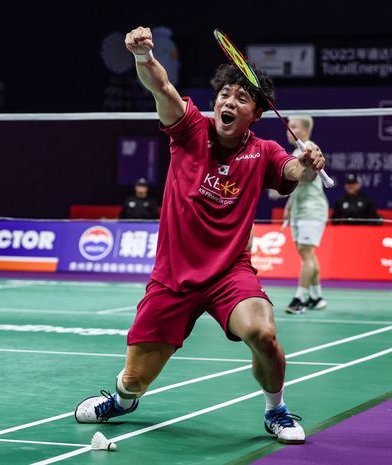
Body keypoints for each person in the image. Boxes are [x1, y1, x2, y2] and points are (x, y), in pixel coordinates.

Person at [74, 26, 326, 445]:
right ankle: (122, 400)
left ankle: (275, 410)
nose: (229, 101)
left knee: (263, 333)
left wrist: (309, 164)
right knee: (134, 380)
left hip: (229, 274)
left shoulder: (262, 151)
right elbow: (162, 87)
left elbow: (291, 172)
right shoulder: (190, 129)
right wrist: (142, 57)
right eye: (225, 94)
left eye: (242, 98)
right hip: (174, 277)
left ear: (256, 114)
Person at [281, 115, 329, 315]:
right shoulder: (296, 151)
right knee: (306, 253)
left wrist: (277, 185)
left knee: (306, 253)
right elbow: (296, 184)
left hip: (312, 208)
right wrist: (289, 206)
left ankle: (299, 298)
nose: (288, 130)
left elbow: (304, 178)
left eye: (293, 126)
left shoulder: (308, 149)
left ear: (304, 130)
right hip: (301, 208)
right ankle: (317, 297)